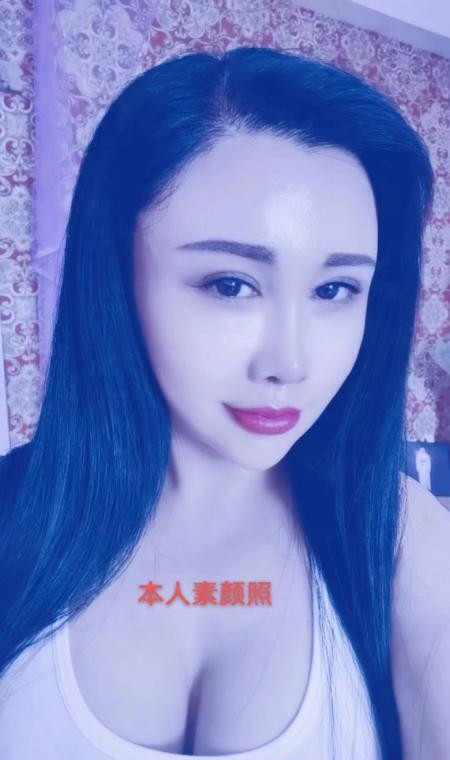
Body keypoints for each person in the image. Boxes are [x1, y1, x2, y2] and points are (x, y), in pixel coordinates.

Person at [0, 46, 449, 760]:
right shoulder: (16, 515)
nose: (290, 363)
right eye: (231, 285)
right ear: (120, 272)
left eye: (335, 290)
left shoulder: (401, 543)